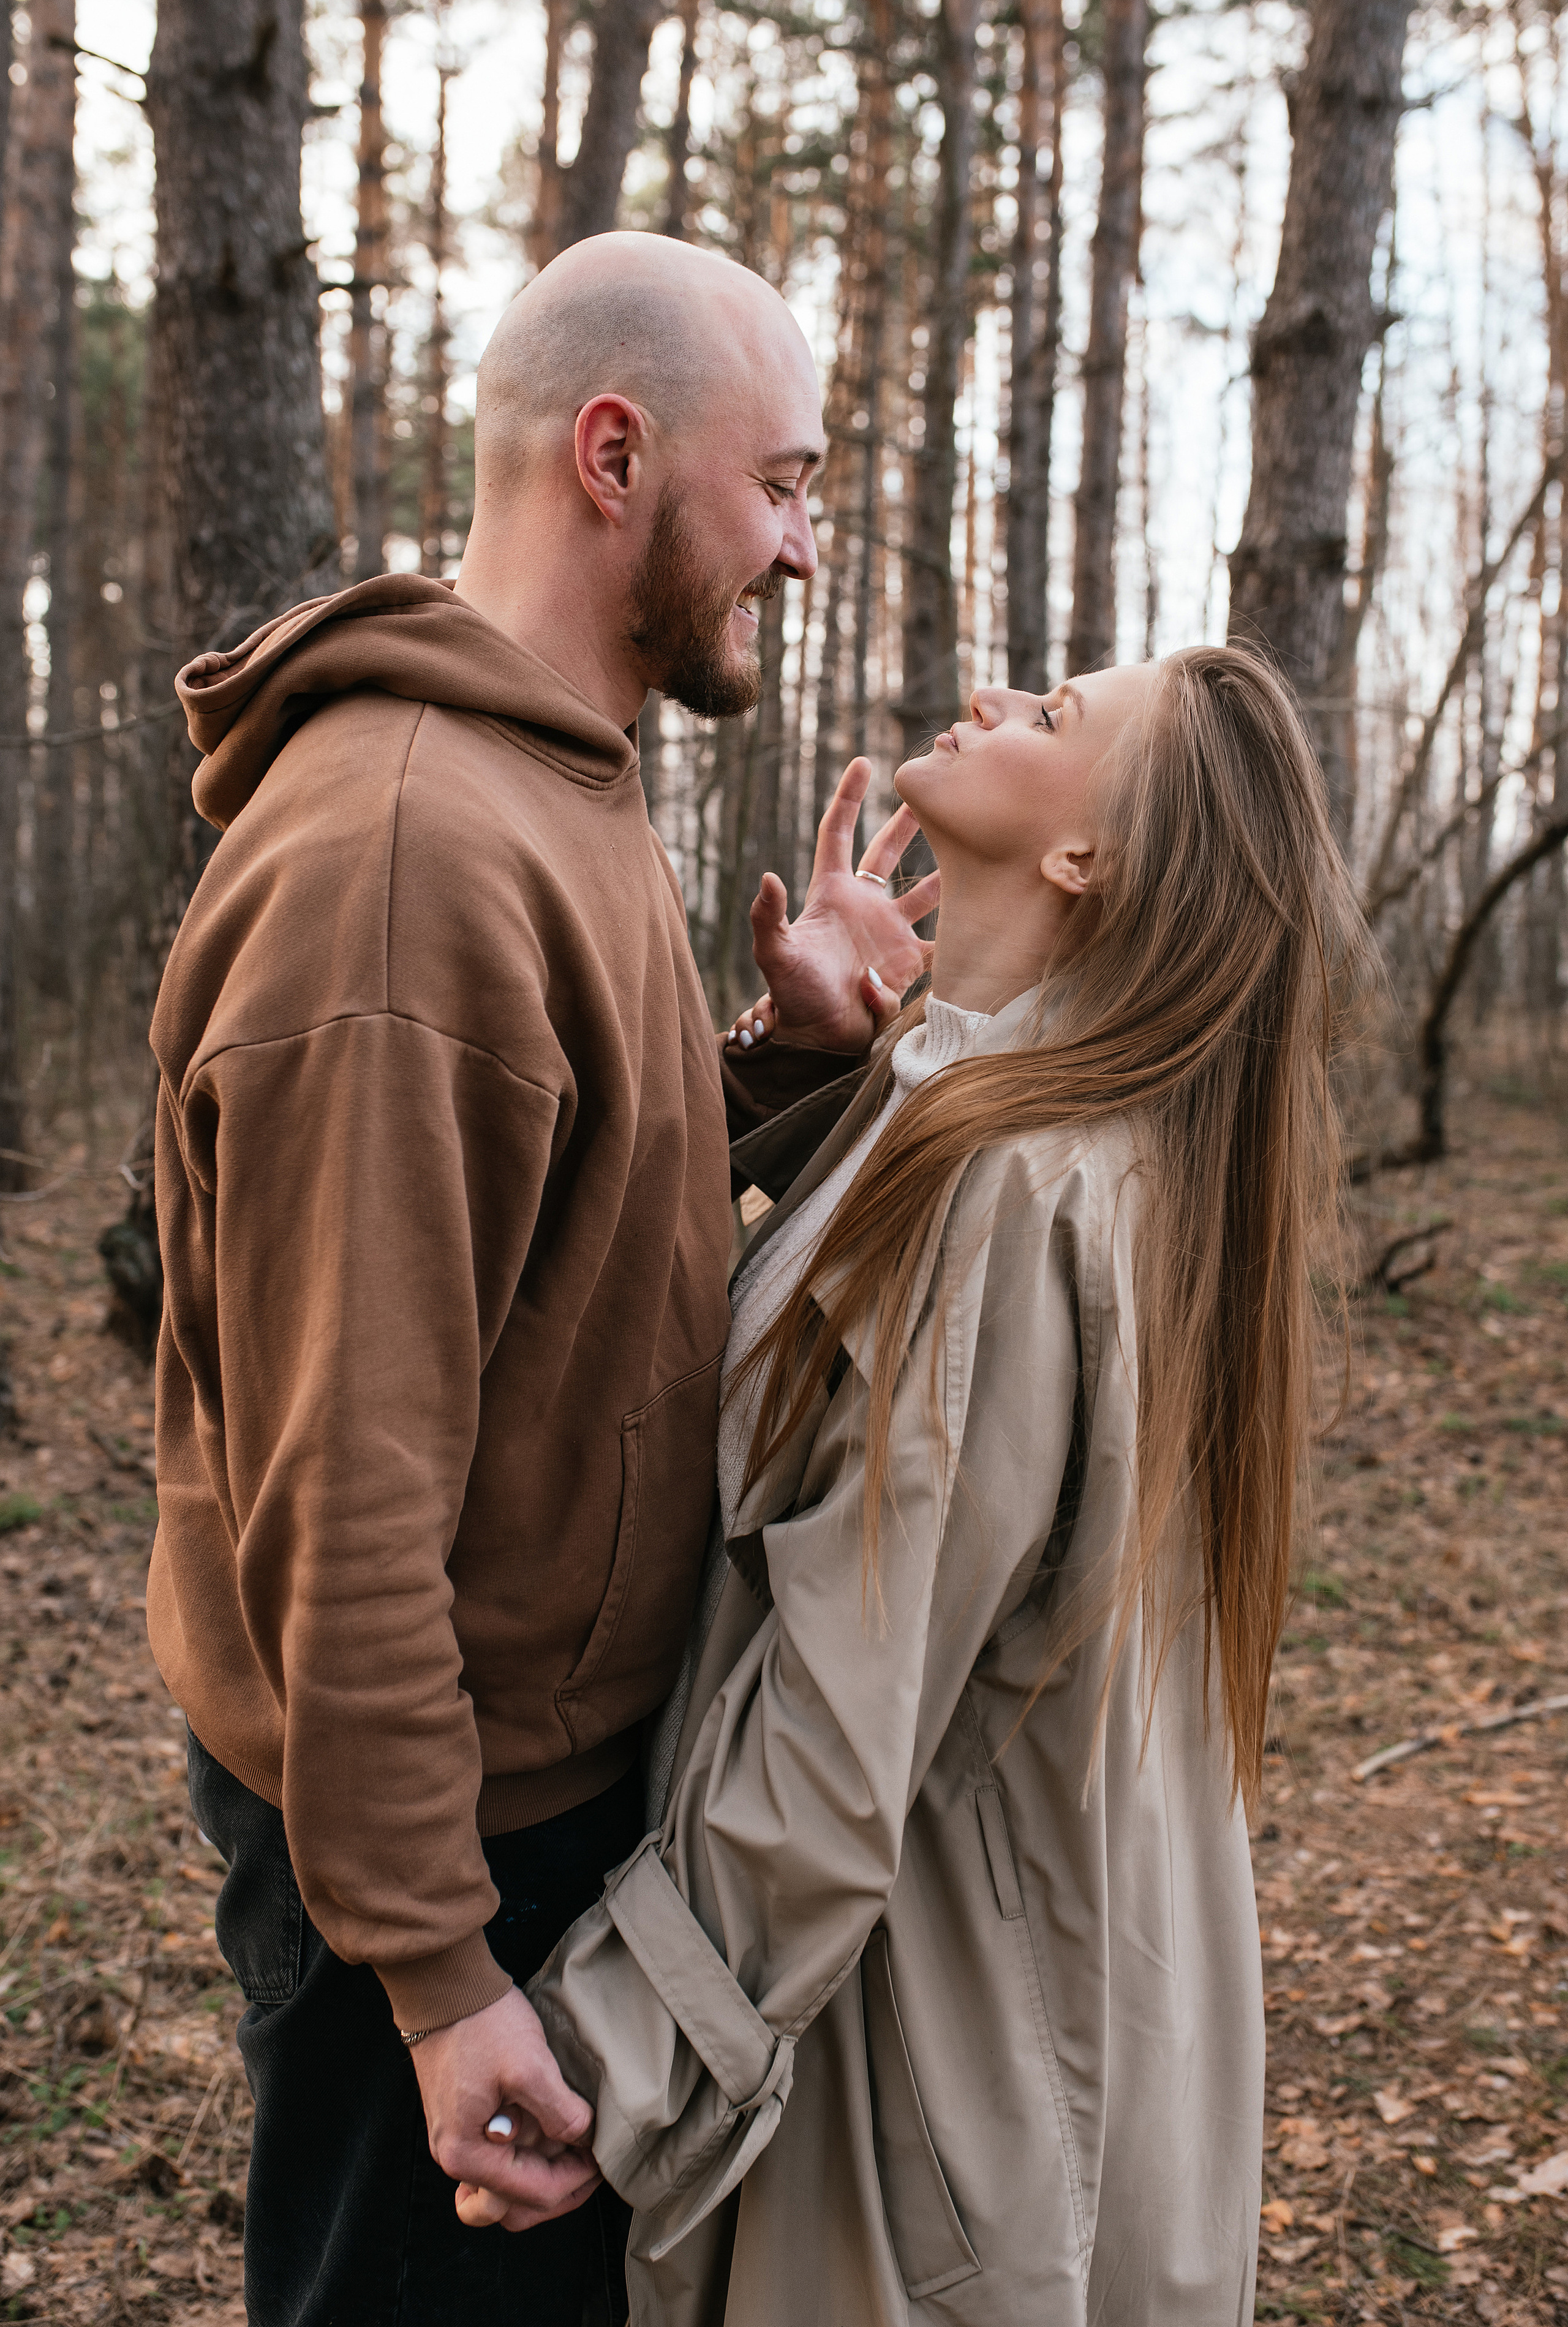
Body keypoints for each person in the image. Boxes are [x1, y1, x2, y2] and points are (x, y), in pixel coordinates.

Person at [146, 230, 938, 2326]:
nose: (800, 546)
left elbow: (562, 1244)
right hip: (434, 1844)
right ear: (616, 453)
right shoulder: (407, 865)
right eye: (783, 483)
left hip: (531, 1796)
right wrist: (434, 1976)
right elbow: (351, 1484)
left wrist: (783, 1068)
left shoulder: (558, 778)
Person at [483, 644, 1373, 2323]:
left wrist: (614, 2053)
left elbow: (842, 1714)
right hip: (1024, 1994)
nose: (999, 693)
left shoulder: (1013, 1193)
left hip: (935, 2058)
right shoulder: (1011, 1121)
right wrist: (820, 1052)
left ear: (1087, 860)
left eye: (1058, 719)